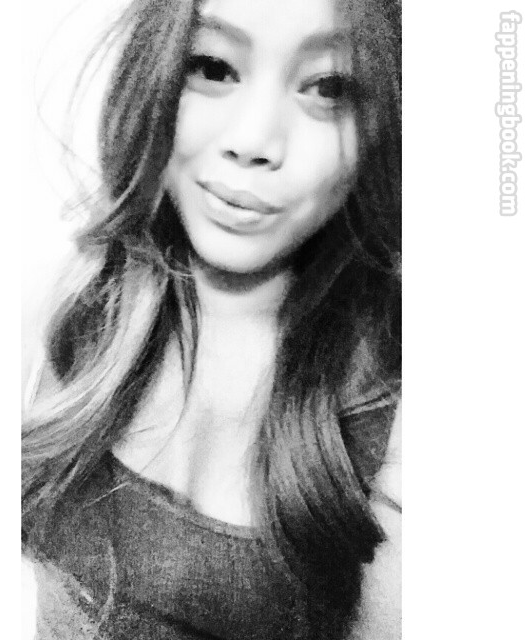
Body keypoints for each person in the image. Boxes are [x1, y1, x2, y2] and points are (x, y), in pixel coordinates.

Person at [22, 0, 402, 638]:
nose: (252, 141)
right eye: (212, 67)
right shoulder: (63, 308)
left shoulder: (399, 420)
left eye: (329, 87)